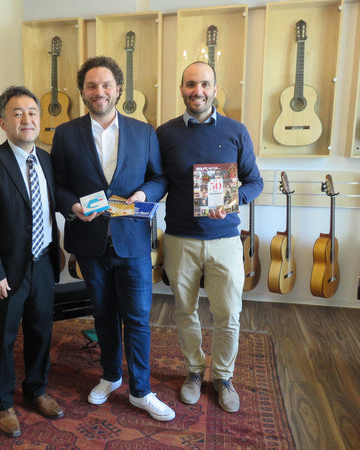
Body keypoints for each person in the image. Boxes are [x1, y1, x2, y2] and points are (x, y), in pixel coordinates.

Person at [51, 56, 174, 421]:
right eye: (91, 86)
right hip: (89, 239)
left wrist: (145, 195)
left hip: (132, 239)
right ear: (83, 92)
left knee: (136, 317)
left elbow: (160, 177)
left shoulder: (143, 131)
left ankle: (141, 390)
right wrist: (72, 207)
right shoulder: (66, 133)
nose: (99, 92)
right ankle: (110, 375)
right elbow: (58, 184)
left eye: (106, 85)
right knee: (102, 313)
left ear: (119, 89)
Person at [156, 61, 263, 412]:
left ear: (215, 89)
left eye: (204, 84)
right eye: (190, 84)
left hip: (225, 239)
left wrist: (233, 201)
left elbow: (255, 182)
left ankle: (222, 377)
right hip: (179, 239)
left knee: (228, 314)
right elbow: (158, 179)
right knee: (185, 311)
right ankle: (193, 371)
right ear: (181, 88)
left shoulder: (236, 131)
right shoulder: (166, 133)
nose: (197, 91)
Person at [0, 86, 63, 437]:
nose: (27, 119)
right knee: (2, 339)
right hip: (5, 272)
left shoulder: (48, 160)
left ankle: (36, 389)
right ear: (3, 121)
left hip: (42, 263)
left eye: (32, 112)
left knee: (41, 332)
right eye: (17, 113)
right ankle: (1, 402)